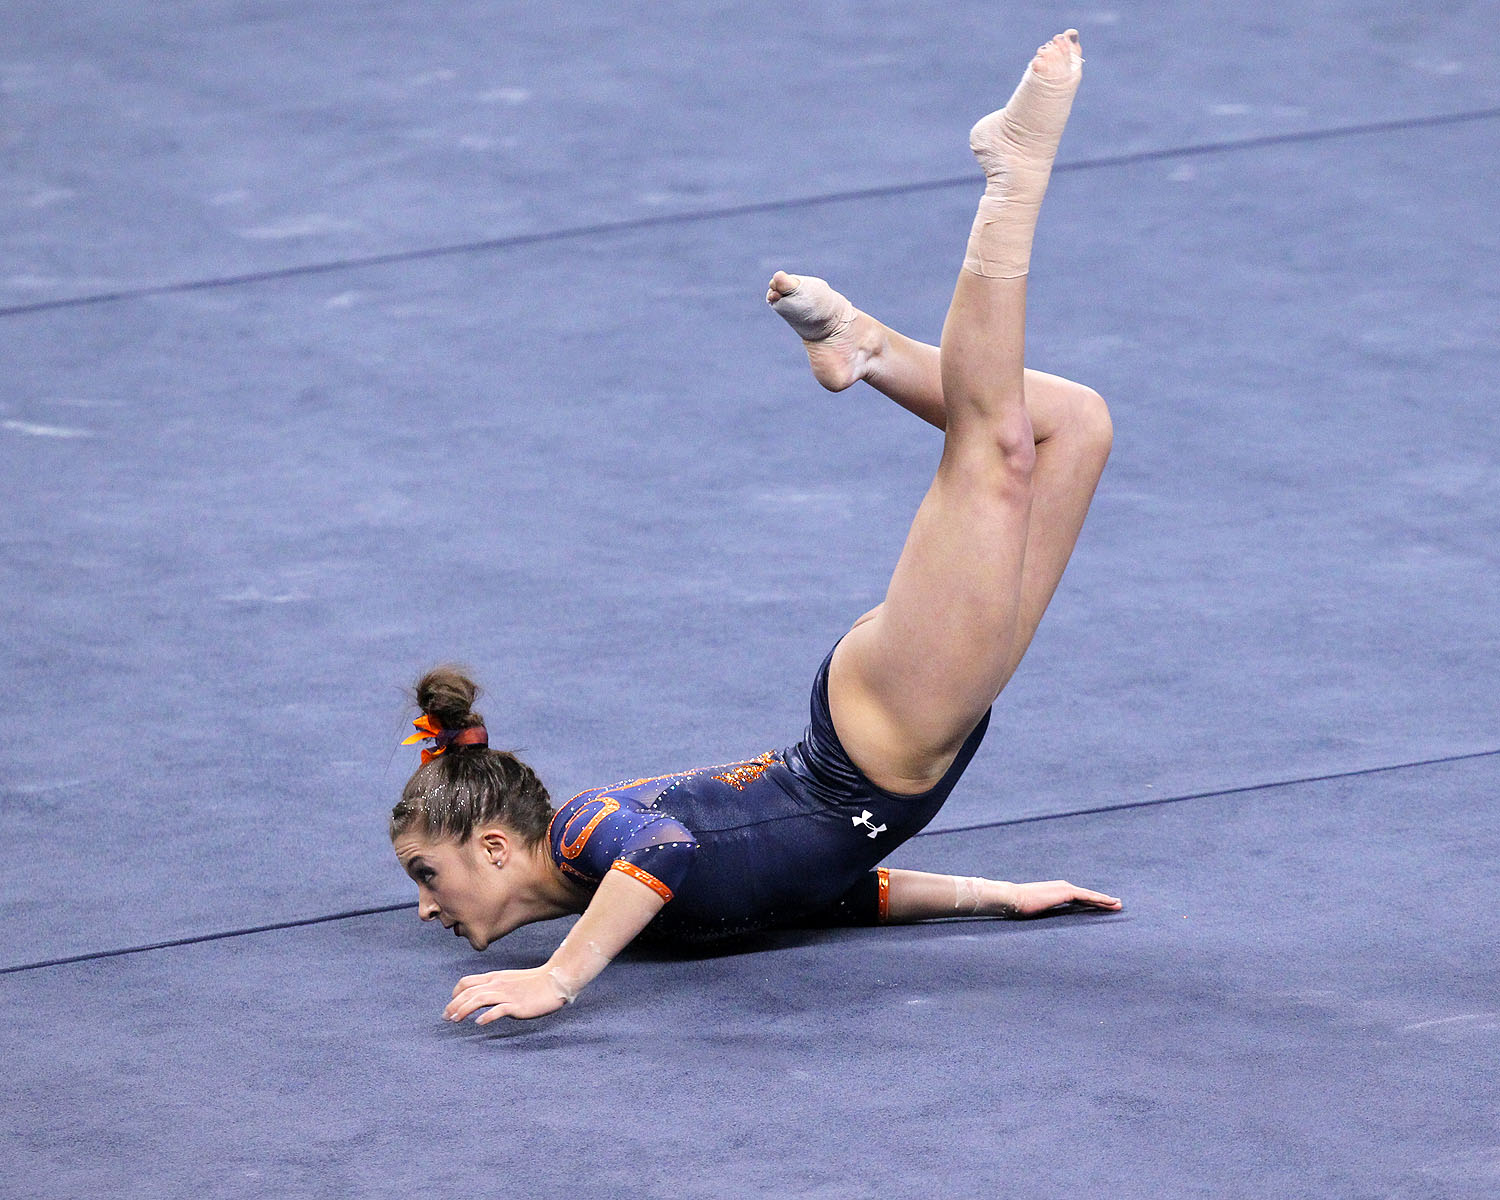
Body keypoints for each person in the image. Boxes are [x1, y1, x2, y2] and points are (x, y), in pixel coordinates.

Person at [393, 30, 1122, 1026]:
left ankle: (1011, 173)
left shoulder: (585, 831)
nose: (425, 907)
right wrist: (997, 894)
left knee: (998, 453)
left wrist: (556, 978)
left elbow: (661, 854)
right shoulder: (629, 903)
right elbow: (822, 890)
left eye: (426, 873)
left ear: (492, 846)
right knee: (1073, 427)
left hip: (875, 743)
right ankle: (869, 344)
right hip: (896, 758)